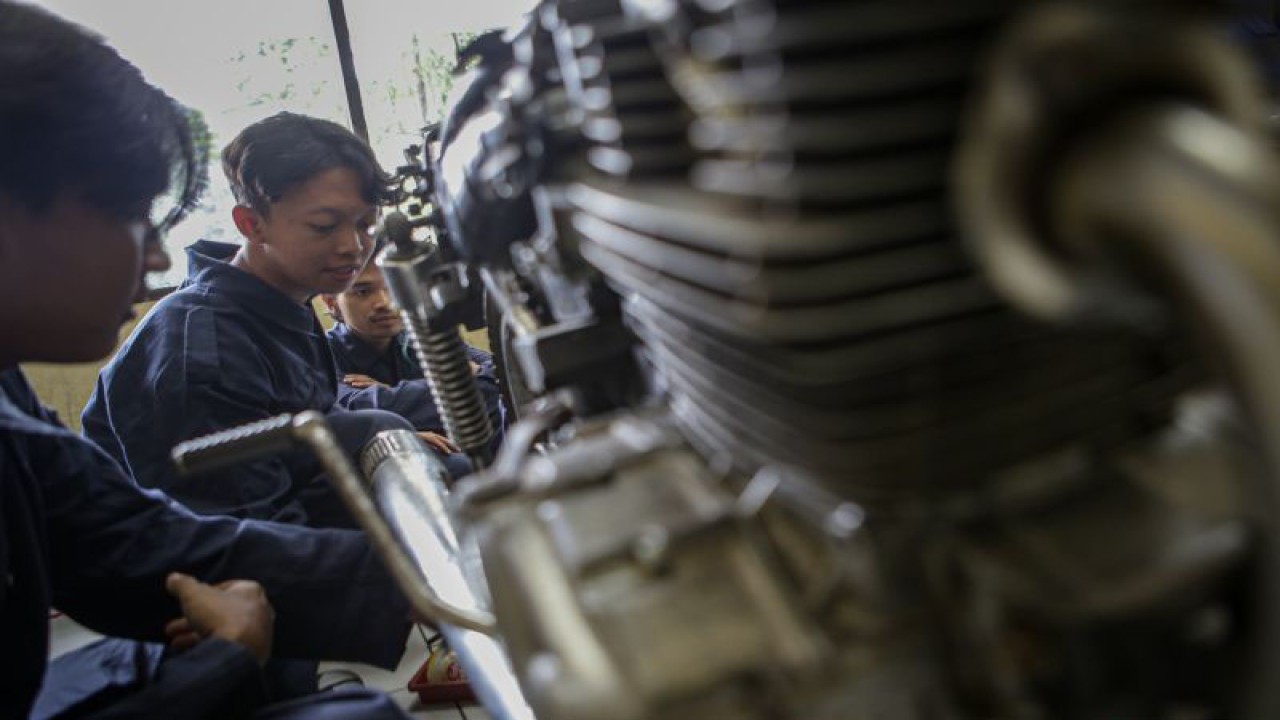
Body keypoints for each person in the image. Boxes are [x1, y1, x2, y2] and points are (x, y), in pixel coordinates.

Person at [0, 3, 413, 718]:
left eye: (362, 228)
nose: (158, 258)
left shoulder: (6, 385)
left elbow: (120, 537)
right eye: (133, 216)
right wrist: (221, 664)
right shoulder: (201, 352)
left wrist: (440, 567)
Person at [82, 112, 415, 529]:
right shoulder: (208, 351)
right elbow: (249, 535)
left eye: (366, 225)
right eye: (324, 226)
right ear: (252, 224)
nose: (353, 247)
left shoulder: (284, 303)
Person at [320, 259, 505, 479]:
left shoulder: (417, 337)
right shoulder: (322, 356)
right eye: (362, 292)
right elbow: (359, 411)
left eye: (392, 288)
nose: (384, 302)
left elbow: (500, 372)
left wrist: (390, 393)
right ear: (331, 302)